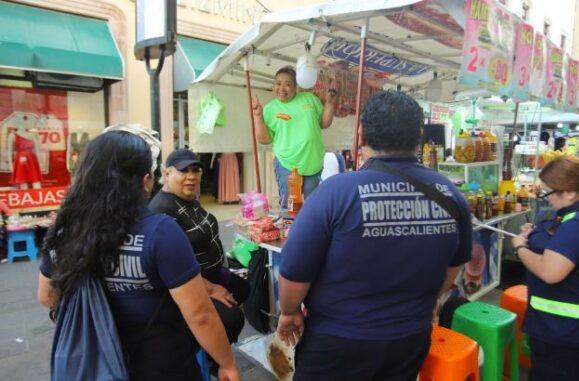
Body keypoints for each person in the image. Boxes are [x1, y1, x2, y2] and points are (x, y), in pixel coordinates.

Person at [275, 91, 473, 380]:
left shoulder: (336, 192)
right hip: (409, 340)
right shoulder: (451, 195)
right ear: (418, 135)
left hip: (337, 345)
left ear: (361, 134)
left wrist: (290, 312)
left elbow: (293, 271)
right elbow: (451, 270)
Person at [37, 130, 240, 381]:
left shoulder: (66, 229)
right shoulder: (161, 232)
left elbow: (47, 296)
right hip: (162, 366)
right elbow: (200, 315)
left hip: (94, 364)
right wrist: (226, 363)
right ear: (146, 181)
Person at [511, 156, 579, 381]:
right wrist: (539, 234)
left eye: (548, 193)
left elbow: (549, 272)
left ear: (570, 192)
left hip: (565, 336)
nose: (547, 200)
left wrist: (520, 247)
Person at [148, 149, 249, 343]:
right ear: (167, 173)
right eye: (183, 171)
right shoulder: (162, 211)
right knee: (231, 318)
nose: (191, 177)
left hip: (214, 272)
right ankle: (212, 358)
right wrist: (211, 289)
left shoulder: (188, 199)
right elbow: (173, 270)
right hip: (191, 284)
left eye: (195, 171)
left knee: (244, 287)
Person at [251, 66, 338, 209]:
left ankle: (308, 231)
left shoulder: (309, 99)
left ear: (296, 86)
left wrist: (329, 104)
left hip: (313, 163)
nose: (282, 88)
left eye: (287, 84)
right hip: (287, 164)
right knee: (290, 206)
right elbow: (264, 139)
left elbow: (324, 123)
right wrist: (258, 116)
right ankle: (290, 231)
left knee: (311, 205)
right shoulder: (269, 109)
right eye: (278, 83)